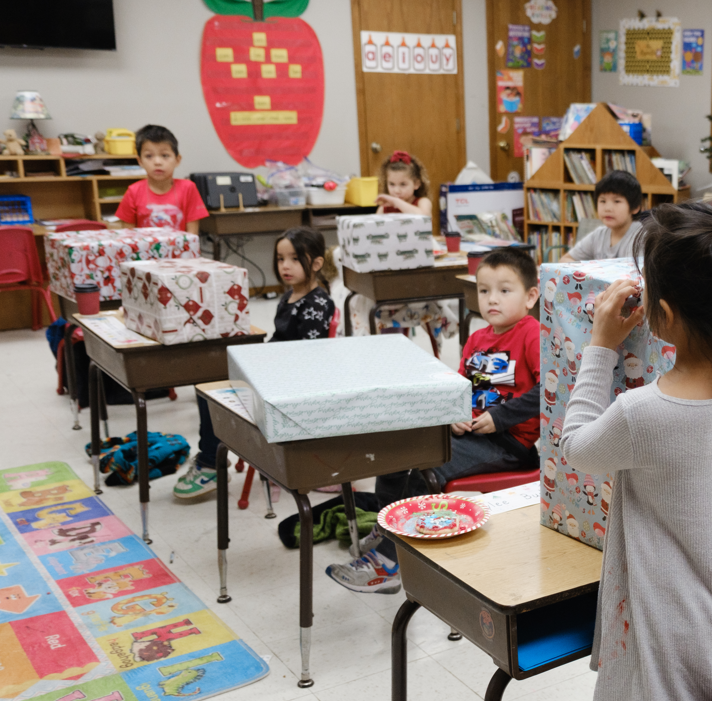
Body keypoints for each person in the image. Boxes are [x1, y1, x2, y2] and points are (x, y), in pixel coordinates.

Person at [560, 202, 712, 701]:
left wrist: (599, 347)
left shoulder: (643, 413)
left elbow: (575, 449)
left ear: (659, 314)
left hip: (665, 640)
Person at [326, 247, 541, 594]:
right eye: (484, 290)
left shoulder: (531, 334)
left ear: (531, 296)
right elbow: (458, 387)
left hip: (509, 444)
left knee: (427, 472)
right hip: (469, 435)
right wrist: (453, 412)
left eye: (505, 290)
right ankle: (388, 531)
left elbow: (551, 390)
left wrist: (499, 417)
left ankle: (389, 563)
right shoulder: (477, 338)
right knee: (399, 452)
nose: (492, 300)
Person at [173, 227, 336, 500]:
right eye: (281, 258)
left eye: (295, 259)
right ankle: (212, 457)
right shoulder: (289, 295)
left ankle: (211, 462)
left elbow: (309, 357)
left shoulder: (318, 303)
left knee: (213, 396)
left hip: (290, 383)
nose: (285, 266)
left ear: (317, 264)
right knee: (207, 383)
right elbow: (280, 340)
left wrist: (263, 364)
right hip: (274, 371)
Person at [116, 125, 208, 234]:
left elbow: (192, 236)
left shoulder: (188, 188)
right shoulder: (133, 192)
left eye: (165, 155)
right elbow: (129, 237)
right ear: (140, 161)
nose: (157, 162)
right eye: (149, 156)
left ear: (177, 160)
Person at [562, 170, 644, 261]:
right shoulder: (598, 235)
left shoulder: (641, 238)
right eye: (602, 201)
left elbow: (639, 273)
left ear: (635, 207)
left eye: (617, 201)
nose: (607, 208)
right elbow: (565, 260)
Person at [376, 150, 432, 216]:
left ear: (416, 184)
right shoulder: (384, 209)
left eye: (403, 184)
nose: (396, 191)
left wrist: (397, 202)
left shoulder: (423, 202)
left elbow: (425, 218)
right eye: (392, 184)